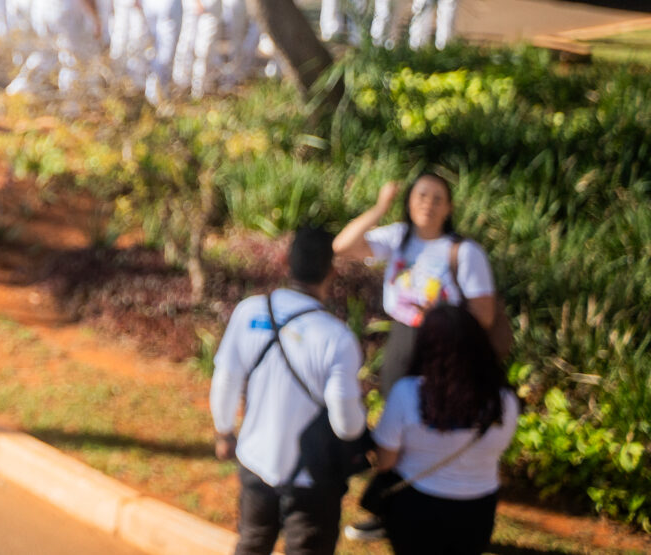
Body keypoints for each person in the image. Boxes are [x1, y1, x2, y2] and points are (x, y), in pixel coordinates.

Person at [212, 226, 368, 555]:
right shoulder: (337, 337)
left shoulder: (249, 312)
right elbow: (347, 425)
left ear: (286, 261)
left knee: (252, 543)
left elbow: (226, 379)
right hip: (312, 480)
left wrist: (224, 432)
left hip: (255, 462)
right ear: (332, 271)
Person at [368, 305, 518, 555]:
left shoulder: (407, 393)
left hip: (416, 508)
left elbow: (385, 462)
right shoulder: (505, 401)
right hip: (478, 510)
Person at [334, 172, 499, 387]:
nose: (428, 204)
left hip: (448, 343)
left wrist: (442, 316)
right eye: (421, 196)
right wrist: (380, 207)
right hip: (402, 340)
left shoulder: (465, 251)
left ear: (449, 208)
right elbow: (342, 247)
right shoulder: (397, 238)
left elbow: (484, 315)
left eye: (437, 199)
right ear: (408, 201)